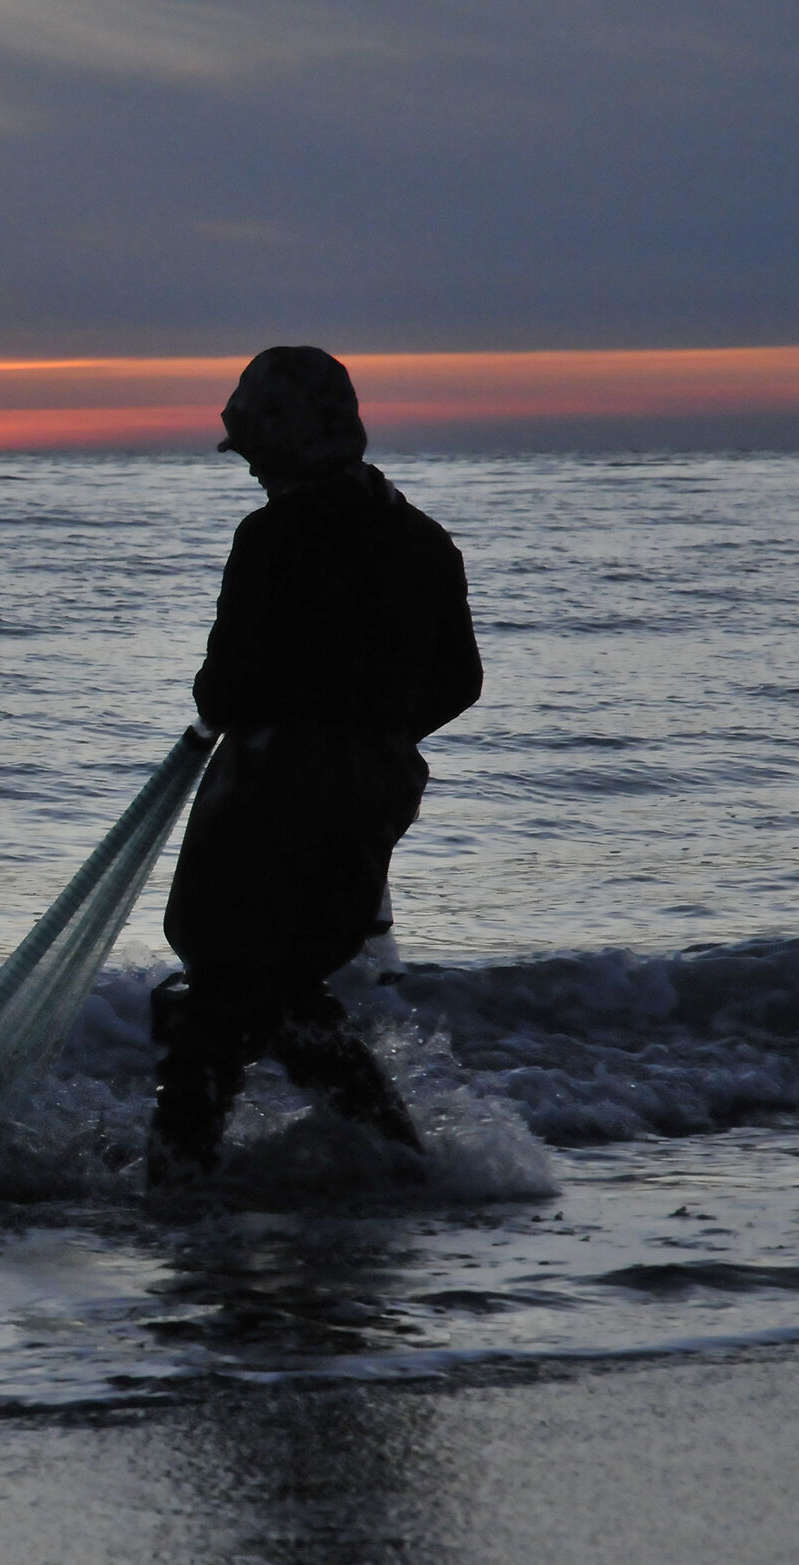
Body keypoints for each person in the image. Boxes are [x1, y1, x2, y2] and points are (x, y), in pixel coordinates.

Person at [148, 346, 482, 1187]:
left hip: (272, 803)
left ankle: (177, 1187)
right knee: (287, 991)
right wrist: (377, 737)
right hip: (373, 798)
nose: (251, 468)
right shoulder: (422, 537)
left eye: (254, 447)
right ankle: (402, 1164)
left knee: (223, 997)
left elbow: (226, 690)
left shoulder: (274, 536)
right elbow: (462, 682)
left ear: (281, 439)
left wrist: (294, 731)